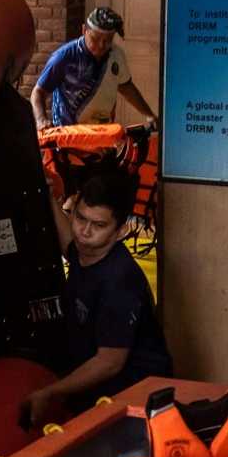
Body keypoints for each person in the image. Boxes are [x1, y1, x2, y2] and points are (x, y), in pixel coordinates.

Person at [24, 173, 171, 422]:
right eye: (80, 218)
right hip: (98, 382)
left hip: (134, 396)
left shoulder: (119, 282)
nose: (85, 231)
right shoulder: (88, 251)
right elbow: (70, 244)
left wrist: (51, 392)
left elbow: (109, 362)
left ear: (121, 231)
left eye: (98, 225)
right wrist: (49, 199)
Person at [30, 7, 157, 130]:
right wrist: (41, 120)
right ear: (84, 30)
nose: (102, 45)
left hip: (102, 134)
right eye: (95, 39)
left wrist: (149, 114)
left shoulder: (116, 56)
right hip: (68, 136)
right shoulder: (64, 57)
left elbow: (126, 87)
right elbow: (38, 92)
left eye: (108, 40)